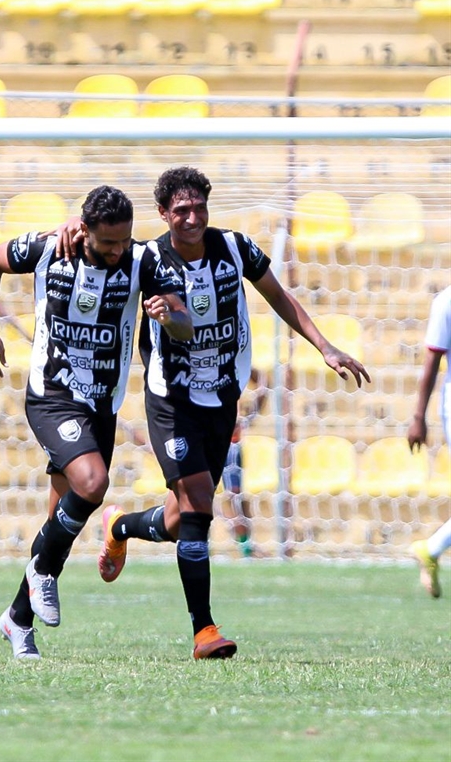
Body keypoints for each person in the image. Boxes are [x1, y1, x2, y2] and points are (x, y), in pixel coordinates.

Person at [56, 166, 371, 660]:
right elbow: (99, 245)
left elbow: (278, 296)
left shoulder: (235, 248)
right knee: (200, 502)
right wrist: (71, 225)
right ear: (163, 214)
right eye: (181, 210)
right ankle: (204, 630)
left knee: (181, 518)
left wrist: (325, 346)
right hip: (171, 400)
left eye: (199, 207)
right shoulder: (146, 258)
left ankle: (120, 527)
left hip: (222, 399)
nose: (192, 218)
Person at [0, 185, 193, 659]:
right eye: (108, 242)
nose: (117, 251)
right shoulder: (50, 249)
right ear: (85, 229)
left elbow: (185, 323)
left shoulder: (142, 261)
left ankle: (18, 620)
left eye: (124, 240)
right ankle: (40, 574)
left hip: (101, 406)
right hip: (52, 397)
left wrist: (168, 317)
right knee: (93, 483)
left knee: (60, 525)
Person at [408, 284, 451, 599]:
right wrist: (418, 416)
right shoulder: (446, 301)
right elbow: (431, 361)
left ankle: (432, 548)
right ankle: (432, 548)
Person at [220, 368, 269, 559]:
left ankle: (246, 547)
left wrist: (249, 415)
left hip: (230, 446)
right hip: (207, 440)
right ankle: (200, 545)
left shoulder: (230, 365)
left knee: (236, 497)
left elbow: (263, 382)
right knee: (202, 495)